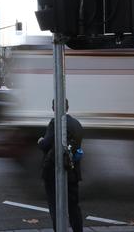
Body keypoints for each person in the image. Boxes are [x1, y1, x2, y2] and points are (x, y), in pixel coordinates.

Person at [37, 99, 84, 232]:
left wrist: (40, 141)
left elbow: (46, 144)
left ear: (53, 108)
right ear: (68, 107)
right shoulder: (77, 124)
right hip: (73, 172)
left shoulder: (55, 123)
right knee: (74, 207)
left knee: (56, 208)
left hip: (54, 172)